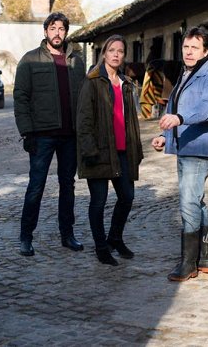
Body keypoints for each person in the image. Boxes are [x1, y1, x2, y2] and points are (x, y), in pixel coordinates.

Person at [151, 26, 208, 282]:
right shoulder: (187, 73)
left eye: (195, 48)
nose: (189, 52)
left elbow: (207, 109)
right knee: (196, 200)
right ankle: (205, 258)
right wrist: (165, 134)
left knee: (188, 202)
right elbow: (175, 106)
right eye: (186, 47)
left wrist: (180, 118)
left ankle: (188, 264)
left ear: (206, 50)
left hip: (200, 147)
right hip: (185, 146)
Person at [14, 12, 86, 256]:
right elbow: (20, 97)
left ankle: (68, 234)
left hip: (70, 135)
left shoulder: (77, 60)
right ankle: (26, 237)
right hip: (42, 135)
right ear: (45, 31)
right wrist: (27, 132)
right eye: (53, 28)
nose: (57, 33)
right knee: (36, 185)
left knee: (68, 186)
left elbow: (84, 97)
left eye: (62, 29)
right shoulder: (30, 60)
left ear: (66, 32)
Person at [77, 35, 144, 266]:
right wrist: (89, 150)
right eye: (112, 50)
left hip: (122, 151)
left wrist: (137, 148)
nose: (116, 54)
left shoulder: (126, 83)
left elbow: (131, 121)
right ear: (104, 53)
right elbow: (84, 120)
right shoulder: (93, 80)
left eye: (121, 51)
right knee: (98, 201)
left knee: (127, 197)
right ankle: (101, 246)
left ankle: (115, 238)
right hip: (98, 151)